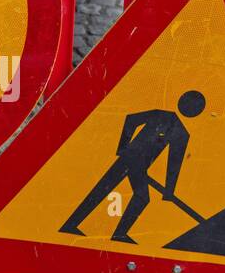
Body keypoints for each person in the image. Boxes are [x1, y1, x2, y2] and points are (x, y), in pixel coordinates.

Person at [60, 90, 206, 244]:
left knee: (106, 190)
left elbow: (173, 163)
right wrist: (122, 148)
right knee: (128, 194)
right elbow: (173, 163)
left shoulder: (171, 124)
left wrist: (123, 149)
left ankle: (74, 225)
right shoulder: (175, 127)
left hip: (135, 162)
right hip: (132, 159)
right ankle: (116, 234)